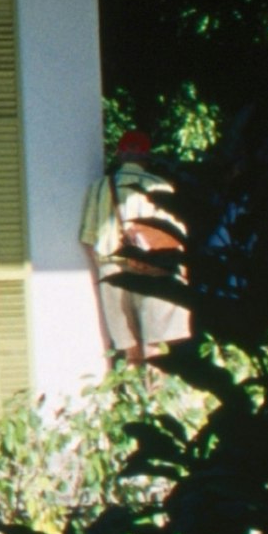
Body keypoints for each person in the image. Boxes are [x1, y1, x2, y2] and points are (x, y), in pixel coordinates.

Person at [80, 127, 184, 368]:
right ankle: (156, 399)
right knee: (155, 345)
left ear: (119, 154)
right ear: (146, 157)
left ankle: (135, 397)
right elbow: (176, 236)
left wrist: (102, 268)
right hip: (152, 268)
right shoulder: (161, 186)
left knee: (129, 347)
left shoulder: (99, 187)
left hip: (111, 269)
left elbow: (87, 238)